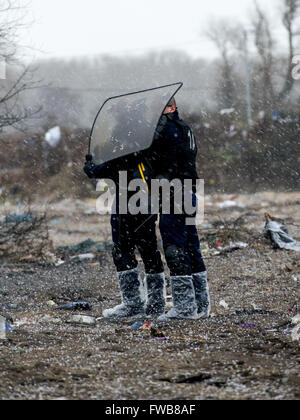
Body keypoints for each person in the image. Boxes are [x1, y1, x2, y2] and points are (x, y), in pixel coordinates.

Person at [144, 98, 211, 320]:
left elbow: (159, 157)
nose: (157, 111)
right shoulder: (184, 128)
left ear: (171, 108)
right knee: (191, 246)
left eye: (161, 107)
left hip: (174, 191)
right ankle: (201, 305)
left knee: (174, 247)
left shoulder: (168, 129)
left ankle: (184, 308)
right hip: (187, 191)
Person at [84, 152, 166, 320]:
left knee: (123, 251)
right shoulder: (149, 151)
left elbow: (97, 171)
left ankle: (133, 304)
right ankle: (156, 303)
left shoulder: (123, 153)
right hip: (147, 207)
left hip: (125, 208)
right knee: (150, 251)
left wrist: (90, 165)